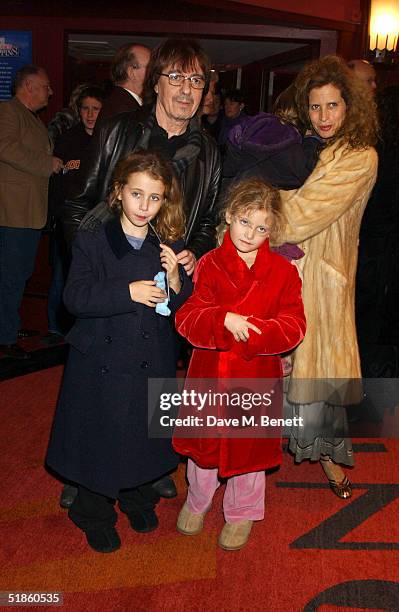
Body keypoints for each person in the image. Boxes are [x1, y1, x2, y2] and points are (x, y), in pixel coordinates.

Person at [60, 39, 221, 499]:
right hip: (111, 278)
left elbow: (207, 221)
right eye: (175, 78)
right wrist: (97, 267)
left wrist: (196, 251)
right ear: (156, 84)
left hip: (162, 284)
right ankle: (83, 474)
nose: (186, 90)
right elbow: (77, 204)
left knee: (156, 378)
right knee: (97, 383)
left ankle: (147, 466)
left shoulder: (208, 151)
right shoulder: (117, 129)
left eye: (196, 80)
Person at [46, 151, 192, 553]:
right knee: (101, 436)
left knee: (145, 435)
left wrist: (179, 279)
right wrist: (125, 293)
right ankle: (92, 512)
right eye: (136, 194)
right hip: (102, 361)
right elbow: (74, 297)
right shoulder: (94, 240)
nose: (144, 206)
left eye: (155, 198)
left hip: (152, 356)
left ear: (166, 201)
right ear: (118, 193)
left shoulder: (168, 243)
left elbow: (182, 307)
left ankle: (138, 498)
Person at [173, 178, 306, 551]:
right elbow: (187, 319)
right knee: (205, 447)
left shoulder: (283, 272)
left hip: (255, 375)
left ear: (272, 231)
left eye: (262, 228)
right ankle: (197, 500)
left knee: (248, 449)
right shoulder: (210, 265)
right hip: (209, 373)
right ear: (229, 216)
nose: (251, 234)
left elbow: (294, 326)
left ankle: (243, 511)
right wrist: (223, 321)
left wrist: (253, 333)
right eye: (245, 222)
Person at [279, 55, 378, 497]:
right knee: (276, 366)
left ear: (350, 106)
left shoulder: (360, 157)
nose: (323, 117)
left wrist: (249, 216)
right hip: (285, 270)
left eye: (333, 106)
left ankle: (328, 461)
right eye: (315, 107)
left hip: (323, 277)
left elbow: (301, 215)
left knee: (314, 379)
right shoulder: (304, 145)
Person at [0, 64, 63, 360]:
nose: (50, 92)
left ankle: (7, 327)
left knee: (17, 274)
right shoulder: (8, 112)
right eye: (45, 86)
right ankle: (5, 338)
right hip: (12, 213)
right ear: (28, 86)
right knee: (11, 276)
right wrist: (46, 163)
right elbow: (5, 148)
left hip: (26, 212)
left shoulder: (30, 118)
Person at [46, 85, 105, 342]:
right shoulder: (67, 139)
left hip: (100, 220)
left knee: (96, 278)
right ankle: (55, 328)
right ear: (79, 111)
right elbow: (57, 185)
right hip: (68, 220)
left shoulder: (109, 138)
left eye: (95, 109)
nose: (90, 114)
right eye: (85, 109)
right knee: (63, 274)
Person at [355, 85, 399, 418]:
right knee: (382, 335)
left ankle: (369, 407)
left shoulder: (374, 151)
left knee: (370, 332)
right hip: (381, 255)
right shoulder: (377, 152)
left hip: (371, 254)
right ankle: (378, 407)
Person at [97, 43, 151, 121]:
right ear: (132, 73)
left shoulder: (122, 103)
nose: (155, 72)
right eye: (150, 67)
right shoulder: (123, 111)